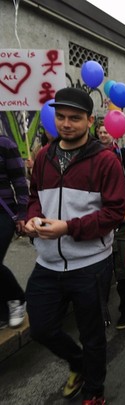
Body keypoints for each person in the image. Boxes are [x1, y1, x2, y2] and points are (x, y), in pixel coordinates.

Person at [23, 87, 125, 405]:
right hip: (48, 261)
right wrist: (30, 221)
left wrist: (68, 227)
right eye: (61, 117)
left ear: (90, 121)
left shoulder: (106, 162)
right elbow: (34, 199)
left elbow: (112, 214)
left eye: (75, 118)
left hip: (91, 264)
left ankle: (95, 391)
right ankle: (79, 364)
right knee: (40, 327)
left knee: (93, 334)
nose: (66, 124)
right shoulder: (44, 157)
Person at [95, 123, 125, 330]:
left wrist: (112, 217)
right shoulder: (90, 187)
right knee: (99, 276)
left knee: (122, 276)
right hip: (99, 235)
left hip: (119, 234)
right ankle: (99, 312)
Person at [0, 135, 28, 329]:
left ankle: (17, 299)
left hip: (4, 212)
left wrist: (22, 213)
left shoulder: (5, 144)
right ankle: (2, 313)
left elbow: (19, 180)